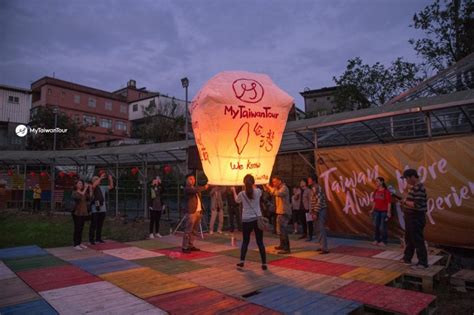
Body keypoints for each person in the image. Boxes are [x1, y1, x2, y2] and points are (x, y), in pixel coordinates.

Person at [232, 174, 267, 270]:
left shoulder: (242, 194)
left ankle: (242, 261)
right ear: (253, 183)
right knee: (260, 242)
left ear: (244, 183)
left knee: (245, 241)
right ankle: (264, 263)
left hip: (246, 219)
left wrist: (234, 190)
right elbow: (257, 192)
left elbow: (236, 201)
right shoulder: (258, 191)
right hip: (257, 218)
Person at [400, 169, 429, 270]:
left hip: (416, 217)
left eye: (407, 178)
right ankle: (407, 258)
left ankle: (423, 262)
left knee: (417, 239)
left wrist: (404, 202)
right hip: (410, 217)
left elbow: (417, 205)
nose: (406, 181)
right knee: (409, 238)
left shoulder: (419, 188)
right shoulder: (414, 188)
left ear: (412, 177)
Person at [264, 175, 292, 254]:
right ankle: (282, 245)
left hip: (284, 212)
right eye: (273, 182)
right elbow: (270, 191)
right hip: (280, 211)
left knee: (283, 230)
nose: (274, 183)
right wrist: (265, 185)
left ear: (280, 181)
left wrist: (269, 187)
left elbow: (277, 193)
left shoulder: (284, 188)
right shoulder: (278, 188)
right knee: (280, 230)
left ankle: (287, 248)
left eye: (275, 181)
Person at [182, 174, 209, 253]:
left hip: (198, 211)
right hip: (191, 212)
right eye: (190, 179)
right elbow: (195, 190)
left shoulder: (194, 188)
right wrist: (205, 187)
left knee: (194, 230)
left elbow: (197, 191)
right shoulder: (187, 188)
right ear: (186, 180)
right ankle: (185, 246)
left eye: (193, 179)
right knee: (188, 230)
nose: (192, 180)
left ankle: (190, 245)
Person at [89, 173, 114, 245]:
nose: (98, 181)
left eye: (98, 179)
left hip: (103, 209)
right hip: (95, 209)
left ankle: (98, 238)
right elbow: (94, 185)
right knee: (93, 225)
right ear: (93, 181)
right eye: (96, 180)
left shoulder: (102, 187)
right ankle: (91, 239)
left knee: (100, 225)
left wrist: (110, 179)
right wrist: (100, 177)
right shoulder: (92, 187)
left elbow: (111, 186)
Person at [308, 175, 329, 254]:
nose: (308, 181)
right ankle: (321, 246)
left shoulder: (317, 188)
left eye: (309, 180)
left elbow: (319, 201)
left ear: (314, 181)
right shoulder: (313, 189)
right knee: (317, 229)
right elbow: (312, 201)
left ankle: (325, 248)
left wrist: (316, 212)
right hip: (316, 210)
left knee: (320, 228)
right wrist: (312, 211)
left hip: (320, 210)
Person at [370, 177, 392, 246]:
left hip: (384, 211)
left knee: (382, 227)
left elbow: (389, 203)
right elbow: (374, 201)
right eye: (376, 181)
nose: (376, 183)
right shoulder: (376, 191)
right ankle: (376, 240)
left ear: (382, 182)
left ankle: (384, 241)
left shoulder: (386, 192)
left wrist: (388, 212)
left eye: (377, 181)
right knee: (376, 226)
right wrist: (372, 209)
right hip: (377, 211)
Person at [72, 179, 92, 250]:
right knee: (77, 228)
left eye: (81, 184)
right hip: (77, 213)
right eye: (79, 183)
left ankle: (79, 243)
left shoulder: (83, 192)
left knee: (81, 228)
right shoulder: (74, 192)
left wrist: (90, 188)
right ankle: (75, 244)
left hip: (83, 212)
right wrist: (85, 189)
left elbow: (90, 198)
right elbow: (79, 197)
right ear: (76, 185)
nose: (81, 185)